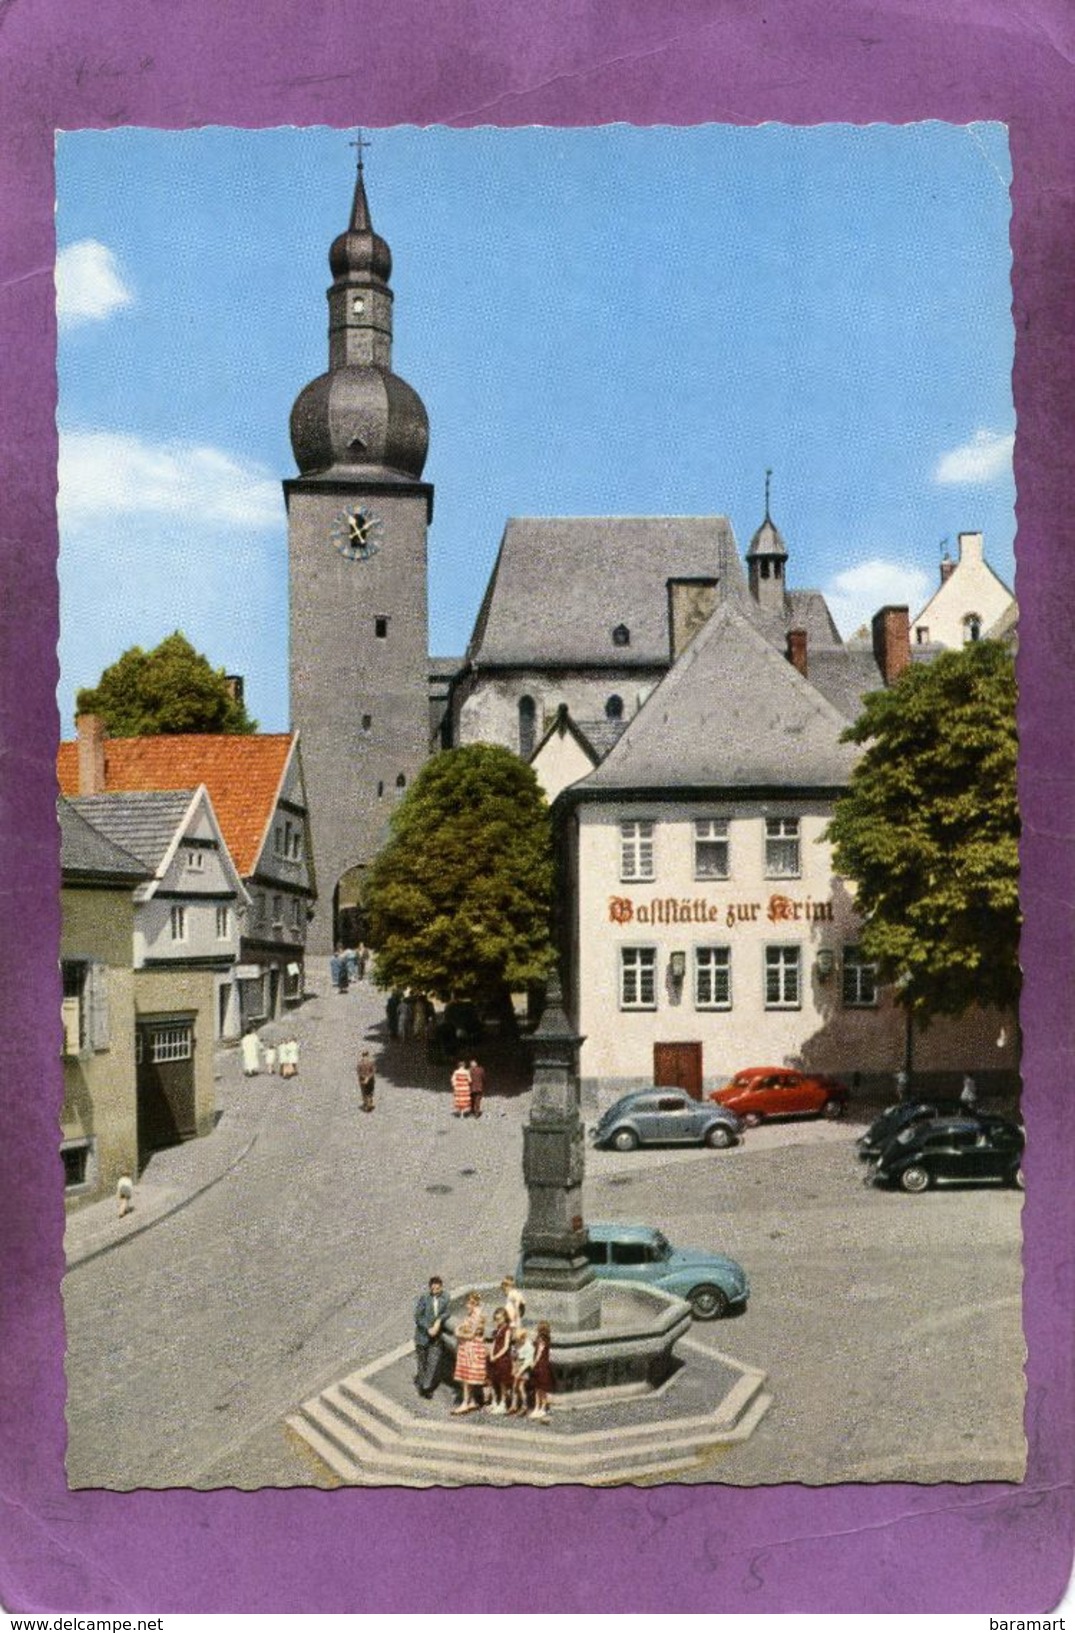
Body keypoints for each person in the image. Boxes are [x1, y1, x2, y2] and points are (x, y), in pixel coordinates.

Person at [413, 1275, 449, 1399]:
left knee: (433, 1363)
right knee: (422, 1363)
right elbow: (418, 1316)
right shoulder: (424, 1298)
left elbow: (447, 1312)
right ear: (430, 1287)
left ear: (441, 1287)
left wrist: (439, 1321)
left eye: (437, 1288)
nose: (435, 1290)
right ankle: (422, 1384)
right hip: (422, 1337)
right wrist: (429, 1328)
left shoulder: (446, 1297)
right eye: (433, 1288)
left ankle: (426, 1387)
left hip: (436, 1338)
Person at [451, 1305, 488, 1414]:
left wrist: (459, 1333)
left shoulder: (478, 1320)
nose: (467, 1306)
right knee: (465, 1377)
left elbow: (469, 1335)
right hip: (466, 1350)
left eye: (470, 1304)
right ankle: (471, 1401)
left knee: (467, 1377)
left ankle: (465, 1403)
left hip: (472, 1351)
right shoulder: (469, 1318)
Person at [487, 1306, 514, 1415]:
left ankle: (502, 1403)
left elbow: (506, 1346)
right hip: (494, 1358)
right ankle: (494, 1401)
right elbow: (494, 1343)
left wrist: (496, 1356)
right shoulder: (497, 1330)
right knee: (493, 1380)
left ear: (505, 1318)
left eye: (500, 1319)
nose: (498, 1321)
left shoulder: (507, 1330)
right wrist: (491, 1354)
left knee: (503, 1382)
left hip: (503, 1358)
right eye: (496, 1319)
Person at [529, 1320, 554, 1420]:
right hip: (544, 1366)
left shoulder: (541, 1340)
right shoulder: (547, 1339)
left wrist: (534, 1362)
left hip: (540, 1366)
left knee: (539, 1389)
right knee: (541, 1389)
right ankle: (540, 1407)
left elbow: (539, 1352)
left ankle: (540, 1407)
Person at [509, 1325, 535, 1415]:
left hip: (524, 1368)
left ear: (523, 1338)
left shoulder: (528, 1346)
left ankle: (524, 1406)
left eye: (519, 1340)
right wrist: (514, 1366)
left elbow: (528, 1361)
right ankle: (514, 1405)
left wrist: (520, 1371)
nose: (517, 1342)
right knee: (514, 1387)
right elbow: (513, 1357)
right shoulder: (516, 1345)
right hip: (517, 1365)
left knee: (520, 1387)